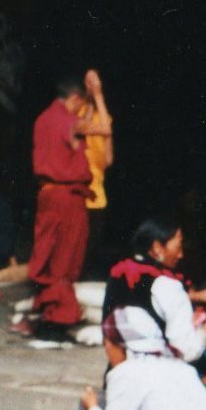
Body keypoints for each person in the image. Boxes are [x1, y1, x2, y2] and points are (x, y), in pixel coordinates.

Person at [19, 75, 93, 341]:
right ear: (74, 98)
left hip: (47, 195)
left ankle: (48, 312)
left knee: (48, 253)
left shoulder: (42, 119)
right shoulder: (66, 119)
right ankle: (56, 320)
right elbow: (98, 128)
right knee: (65, 256)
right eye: (80, 105)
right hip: (65, 197)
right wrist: (97, 95)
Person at [102, 217, 206, 367]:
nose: (181, 255)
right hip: (157, 380)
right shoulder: (169, 286)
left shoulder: (119, 273)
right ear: (157, 247)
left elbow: (144, 297)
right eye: (178, 246)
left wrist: (192, 296)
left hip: (119, 378)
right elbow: (186, 352)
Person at [75, 68, 115, 265]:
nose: (90, 85)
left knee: (90, 255)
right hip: (78, 195)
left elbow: (108, 160)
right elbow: (83, 126)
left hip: (97, 196)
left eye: (94, 81)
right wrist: (94, 97)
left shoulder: (105, 118)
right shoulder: (78, 113)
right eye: (88, 81)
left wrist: (98, 95)